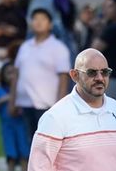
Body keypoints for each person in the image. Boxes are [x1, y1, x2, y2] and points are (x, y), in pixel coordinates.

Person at [8, 8, 70, 137]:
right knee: (29, 145)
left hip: (48, 106)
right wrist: (12, 101)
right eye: (35, 19)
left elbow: (64, 79)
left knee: (47, 144)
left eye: (43, 19)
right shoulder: (25, 46)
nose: (38, 22)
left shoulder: (58, 48)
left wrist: (60, 108)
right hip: (24, 104)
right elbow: (16, 75)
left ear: (50, 24)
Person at [0, 63, 30, 171]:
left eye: (14, 73)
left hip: (21, 124)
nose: (11, 76)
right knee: (10, 150)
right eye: (8, 73)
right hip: (7, 126)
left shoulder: (22, 90)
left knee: (24, 149)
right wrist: (3, 100)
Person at [92, 0, 116, 97]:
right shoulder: (114, 26)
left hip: (112, 77)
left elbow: (94, 49)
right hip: (114, 76)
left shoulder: (113, 28)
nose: (106, 10)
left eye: (110, 6)